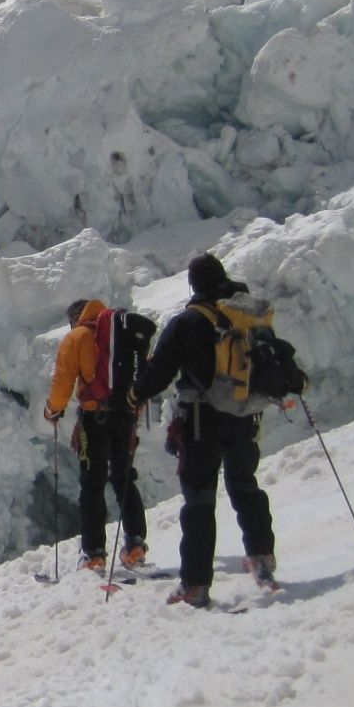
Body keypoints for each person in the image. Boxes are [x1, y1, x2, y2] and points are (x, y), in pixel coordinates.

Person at [129, 253, 279, 607]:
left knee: (199, 499)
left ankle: (195, 584)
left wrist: (135, 393)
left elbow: (160, 371)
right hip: (243, 414)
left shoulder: (190, 321)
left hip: (201, 420)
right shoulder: (246, 317)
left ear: (194, 284)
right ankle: (262, 559)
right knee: (245, 486)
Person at [43, 299, 150, 574]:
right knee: (124, 476)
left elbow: (63, 380)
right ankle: (135, 545)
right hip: (126, 416)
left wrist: (53, 410)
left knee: (93, 482)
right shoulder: (123, 335)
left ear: (75, 318)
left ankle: (94, 554)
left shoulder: (77, 336)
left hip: (95, 417)